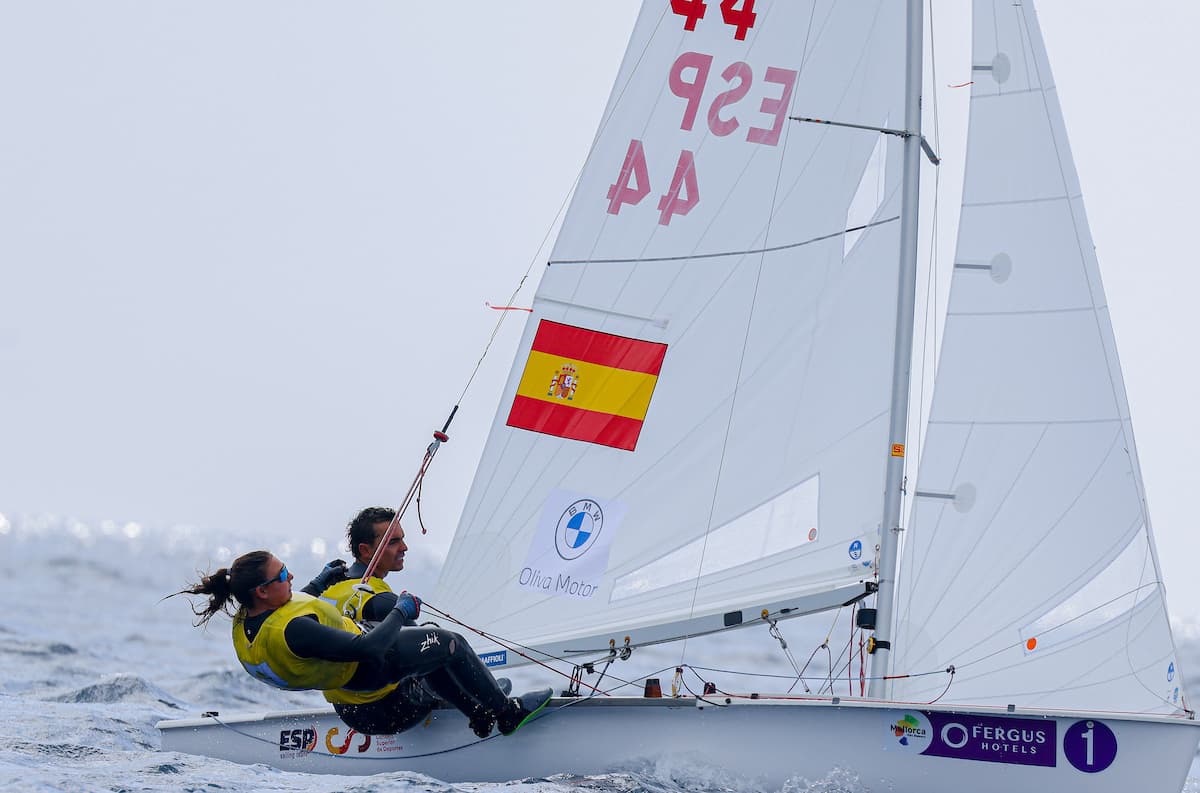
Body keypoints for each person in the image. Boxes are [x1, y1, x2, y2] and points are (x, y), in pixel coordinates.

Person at [176, 549, 549, 738]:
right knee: (451, 644)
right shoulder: (295, 630)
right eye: (284, 574)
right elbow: (368, 650)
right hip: (371, 668)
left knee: (426, 652)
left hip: (350, 685)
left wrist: (319, 584)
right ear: (261, 590)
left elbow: (289, 612)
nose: (291, 577)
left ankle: (478, 713)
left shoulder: (248, 619)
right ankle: (507, 713)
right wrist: (401, 611)